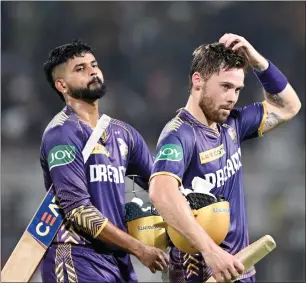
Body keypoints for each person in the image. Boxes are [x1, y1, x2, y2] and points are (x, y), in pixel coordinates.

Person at [149, 33, 301, 283]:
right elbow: (160, 192)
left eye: (238, 89)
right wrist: (211, 251)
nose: (233, 97)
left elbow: (289, 106)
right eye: (225, 87)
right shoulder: (179, 135)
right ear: (198, 81)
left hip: (238, 268)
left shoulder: (232, 124)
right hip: (199, 273)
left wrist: (257, 62)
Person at [40, 40, 168, 283]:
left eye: (94, 65)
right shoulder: (61, 134)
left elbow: (162, 186)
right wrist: (140, 249)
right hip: (77, 258)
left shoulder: (124, 133)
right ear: (61, 85)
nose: (92, 71)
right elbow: (78, 210)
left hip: (118, 259)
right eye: (80, 69)